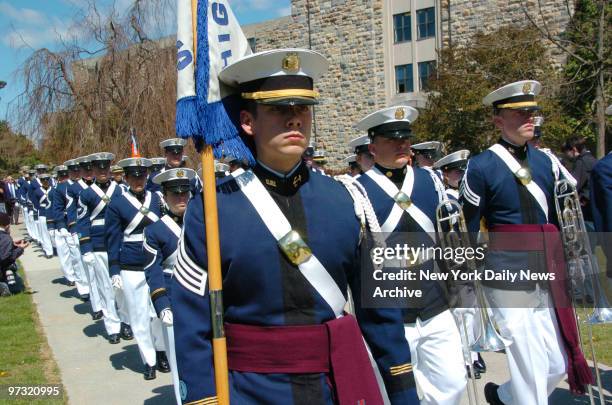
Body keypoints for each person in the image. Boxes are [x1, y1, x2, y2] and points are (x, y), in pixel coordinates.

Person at [172, 48, 418, 404]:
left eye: (302, 108)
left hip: (337, 385)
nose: (294, 120)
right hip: (249, 390)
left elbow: (380, 312)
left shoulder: (347, 201)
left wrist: (401, 388)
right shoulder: (212, 209)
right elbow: (192, 320)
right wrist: (205, 398)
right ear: (247, 121)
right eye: (277, 109)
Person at [461, 80, 591, 404]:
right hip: (507, 273)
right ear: (498, 120)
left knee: (558, 363)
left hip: (548, 270)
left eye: (531, 112)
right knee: (529, 365)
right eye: (520, 114)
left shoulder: (546, 162)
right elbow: (469, 227)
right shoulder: (481, 166)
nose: (529, 118)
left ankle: (503, 397)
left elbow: (560, 219)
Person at [356, 105, 467, 405]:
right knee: (398, 395)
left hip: (435, 303)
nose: (402, 144)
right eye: (392, 139)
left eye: (405, 138)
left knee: (454, 382)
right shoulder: (357, 191)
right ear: (373, 146)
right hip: (391, 312)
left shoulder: (430, 181)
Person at [105, 156, 166, 380]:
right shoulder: (117, 204)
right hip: (131, 266)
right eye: (133, 176)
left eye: (141, 176)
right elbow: (112, 239)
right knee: (139, 315)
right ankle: (148, 359)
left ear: (146, 176)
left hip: (156, 263)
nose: (138, 180)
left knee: (159, 313)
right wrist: (114, 269)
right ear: (127, 178)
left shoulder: (157, 199)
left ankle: (161, 351)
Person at [143, 167, 196, 403]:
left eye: (184, 193)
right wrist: (161, 303)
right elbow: (152, 269)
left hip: (202, 298)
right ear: (164, 197)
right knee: (178, 360)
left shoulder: (202, 223)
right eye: (175, 194)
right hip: (173, 299)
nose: (181, 198)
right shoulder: (155, 230)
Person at [77, 152, 132, 344]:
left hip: (119, 245)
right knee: (106, 288)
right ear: (93, 169)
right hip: (99, 245)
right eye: (98, 168)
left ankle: (126, 321)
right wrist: (86, 248)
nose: (102, 172)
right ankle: (113, 327)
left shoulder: (121, 190)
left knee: (122, 288)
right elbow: (82, 221)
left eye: (105, 168)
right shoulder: (86, 194)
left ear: (109, 168)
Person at [0, 212, 27, 295]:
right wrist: (21, 248)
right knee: (12, 266)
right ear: (7, 225)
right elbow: (7, 258)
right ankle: (4, 285)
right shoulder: (5, 237)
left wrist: (13, 244)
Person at [31, 173, 54, 258]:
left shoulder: (53, 190)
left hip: (53, 214)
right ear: (40, 181)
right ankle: (49, 251)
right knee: (45, 233)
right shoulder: (37, 191)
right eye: (43, 180)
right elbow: (35, 204)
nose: (45, 181)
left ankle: (55, 247)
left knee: (53, 233)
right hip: (43, 214)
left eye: (47, 179)